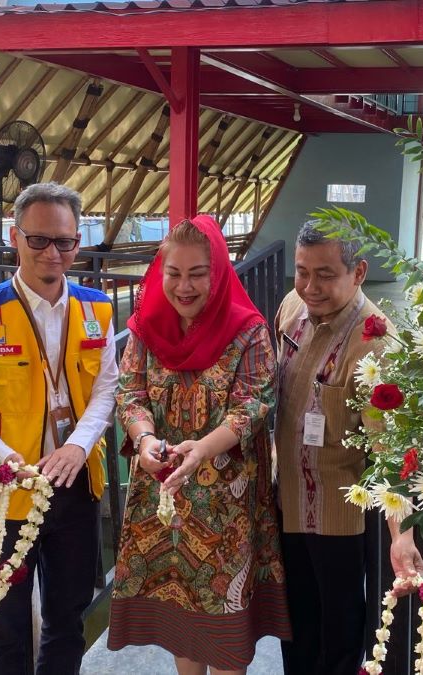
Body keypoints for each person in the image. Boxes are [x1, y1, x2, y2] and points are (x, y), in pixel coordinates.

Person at [108, 215, 290, 675]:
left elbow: (255, 403)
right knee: (179, 611)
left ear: (218, 273)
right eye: (174, 273)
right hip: (162, 493)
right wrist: (144, 438)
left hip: (225, 505)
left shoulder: (247, 330)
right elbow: (130, 392)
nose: (183, 287)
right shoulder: (146, 327)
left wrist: (204, 447)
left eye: (197, 274)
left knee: (225, 624)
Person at [0, 182, 117, 674]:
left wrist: (77, 447)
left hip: (75, 482)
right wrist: (4, 459)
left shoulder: (97, 309)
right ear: (15, 237)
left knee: (67, 620)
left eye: (64, 242)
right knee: (5, 624)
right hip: (7, 487)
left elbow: (106, 389)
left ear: (78, 241)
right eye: (39, 240)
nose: (53, 253)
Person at [274, 222, 423, 675]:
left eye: (325, 274)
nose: (310, 287)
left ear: (358, 273)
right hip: (284, 500)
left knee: (338, 631)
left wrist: (401, 535)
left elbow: (389, 451)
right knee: (294, 626)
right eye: (302, 272)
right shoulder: (291, 308)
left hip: (336, 516)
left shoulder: (375, 344)